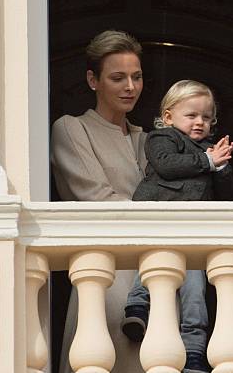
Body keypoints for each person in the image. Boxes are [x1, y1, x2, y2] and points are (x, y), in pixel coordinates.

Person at [123, 79, 233, 373]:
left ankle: (195, 349)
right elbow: (166, 165)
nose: (200, 122)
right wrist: (208, 161)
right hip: (160, 219)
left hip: (194, 230)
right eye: (192, 115)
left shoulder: (212, 151)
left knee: (195, 290)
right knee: (151, 265)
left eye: (207, 117)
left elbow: (228, 195)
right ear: (169, 116)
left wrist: (222, 168)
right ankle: (136, 309)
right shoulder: (162, 138)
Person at [50, 30, 147, 373]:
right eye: (118, 78)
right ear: (93, 80)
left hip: (155, 282)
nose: (130, 87)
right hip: (104, 281)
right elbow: (97, 199)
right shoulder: (72, 129)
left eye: (136, 77)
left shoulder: (148, 139)